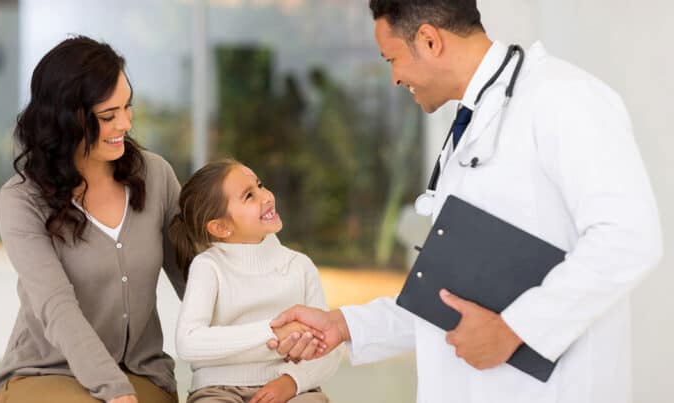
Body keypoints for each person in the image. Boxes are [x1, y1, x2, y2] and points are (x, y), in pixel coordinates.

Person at [268, 1, 663, 403]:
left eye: (393, 59)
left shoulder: (563, 98)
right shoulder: (473, 124)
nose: (395, 78)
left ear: (429, 40)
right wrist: (344, 325)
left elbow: (629, 237)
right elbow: (451, 300)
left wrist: (514, 330)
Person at [0, 36, 184, 403]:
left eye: (128, 107)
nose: (125, 123)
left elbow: (198, 279)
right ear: (66, 119)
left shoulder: (156, 176)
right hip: (47, 373)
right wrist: (114, 392)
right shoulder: (20, 201)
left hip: (141, 372)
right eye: (109, 115)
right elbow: (56, 306)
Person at [170, 160, 341, 403]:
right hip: (218, 390)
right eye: (249, 195)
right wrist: (273, 332)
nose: (266, 196)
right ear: (221, 227)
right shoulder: (208, 267)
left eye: (260, 185)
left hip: (290, 387)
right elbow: (188, 341)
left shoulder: (300, 266)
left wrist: (292, 382)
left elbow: (329, 348)